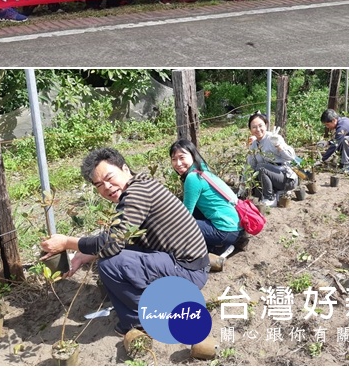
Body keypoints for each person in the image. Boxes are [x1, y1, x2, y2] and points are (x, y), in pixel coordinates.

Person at [39, 147, 209, 335]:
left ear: (125, 169)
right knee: (113, 256)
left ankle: (142, 320)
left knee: (110, 264)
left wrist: (66, 242)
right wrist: (82, 255)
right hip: (190, 265)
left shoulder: (137, 194)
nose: (107, 187)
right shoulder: (142, 184)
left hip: (189, 273)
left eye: (110, 178)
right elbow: (124, 238)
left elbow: (112, 243)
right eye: (99, 185)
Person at [170, 139, 245, 263]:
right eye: (174, 159)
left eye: (182, 157)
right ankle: (219, 245)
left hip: (225, 231)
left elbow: (185, 215)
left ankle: (217, 249)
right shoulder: (202, 169)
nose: (178, 163)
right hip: (235, 226)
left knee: (178, 227)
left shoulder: (192, 178)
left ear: (193, 156)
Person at [246, 112, 299, 207]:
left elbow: (291, 157)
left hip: (286, 178)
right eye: (254, 127)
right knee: (257, 174)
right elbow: (252, 166)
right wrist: (250, 150)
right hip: (272, 178)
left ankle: (270, 198)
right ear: (250, 130)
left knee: (261, 168)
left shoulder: (273, 138)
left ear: (266, 125)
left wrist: (278, 146)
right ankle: (278, 192)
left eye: (260, 126)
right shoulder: (254, 144)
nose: (258, 129)